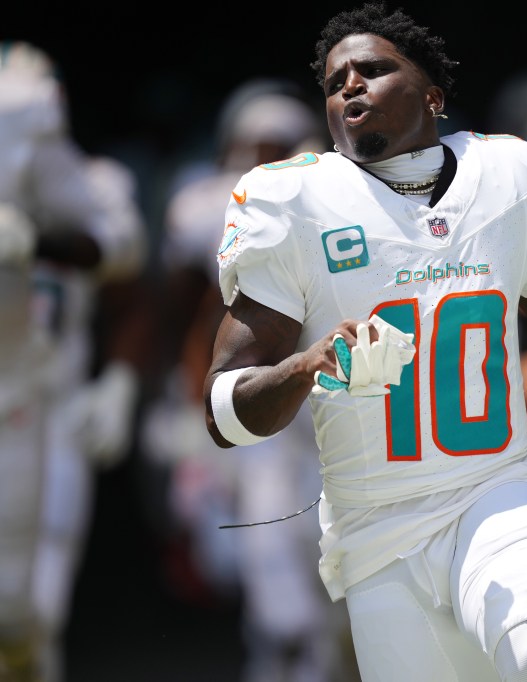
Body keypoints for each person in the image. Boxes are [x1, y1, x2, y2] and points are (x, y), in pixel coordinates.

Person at [201, 3, 527, 682]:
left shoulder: (508, 177)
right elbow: (221, 411)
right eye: (335, 81)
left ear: (434, 96)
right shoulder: (295, 203)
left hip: (496, 488)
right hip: (377, 528)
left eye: (373, 70)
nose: (350, 86)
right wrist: (306, 365)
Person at [143, 78, 363, 682]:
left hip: (334, 412)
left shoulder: (347, 204)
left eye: (282, 145)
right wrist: (190, 409)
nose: (269, 160)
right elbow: (191, 319)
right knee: (272, 585)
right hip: (258, 414)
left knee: (344, 575)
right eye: (257, 145)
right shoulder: (209, 210)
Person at [0, 40, 147, 682]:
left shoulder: (98, 184)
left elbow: (124, 265)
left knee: (33, 605)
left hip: (57, 400)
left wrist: (117, 380)